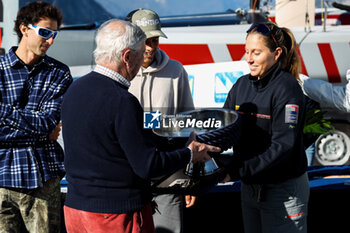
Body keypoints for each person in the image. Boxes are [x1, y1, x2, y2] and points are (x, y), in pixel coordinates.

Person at [61, 19, 220, 233]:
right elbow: (147, 165)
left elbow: (117, 140)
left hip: (76, 210)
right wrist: (189, 154)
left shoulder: (75, 89)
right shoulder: (121, 100)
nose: (143, 59)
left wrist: (172, 142)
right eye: (139, 54)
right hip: (115, 213)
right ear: (127, 56)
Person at [222, 22, 309, 233]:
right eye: (246, 52)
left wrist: (237, 171)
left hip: (283, 191)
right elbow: (223, 129)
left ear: (276, 53)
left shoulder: (287, 90)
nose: (248, 59)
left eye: (256, 53)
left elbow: (283, 145)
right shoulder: (241, 85)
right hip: (250, 187)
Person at [0, 1, 72, 233]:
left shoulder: (59, 73)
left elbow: (46, 123)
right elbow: (41, 128)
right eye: (45, 33)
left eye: (54, 35)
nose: (50, 40)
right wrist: (38, 131)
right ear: (24, 29)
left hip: (42, 179)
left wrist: (3, 111)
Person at [126, 9, 195, 233]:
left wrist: (191, 174)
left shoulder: (176, 70)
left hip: (169, 177)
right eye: (145, 40)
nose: (150, 47)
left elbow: (188, 123)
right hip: (127, 180)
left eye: (154, 40)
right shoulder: (119, 71)